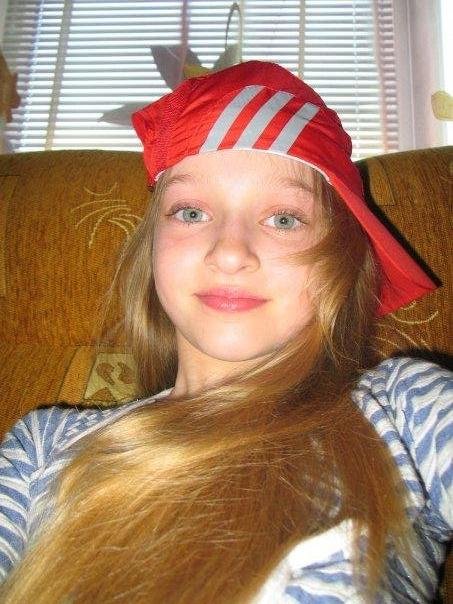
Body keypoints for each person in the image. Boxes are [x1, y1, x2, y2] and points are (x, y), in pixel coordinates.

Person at [0, 60, 451, 603]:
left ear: (341, 260)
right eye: (191, 213)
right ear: (152, 247)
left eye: (284, 219)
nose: (230, 253)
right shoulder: (44, 446)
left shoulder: (403, 410)